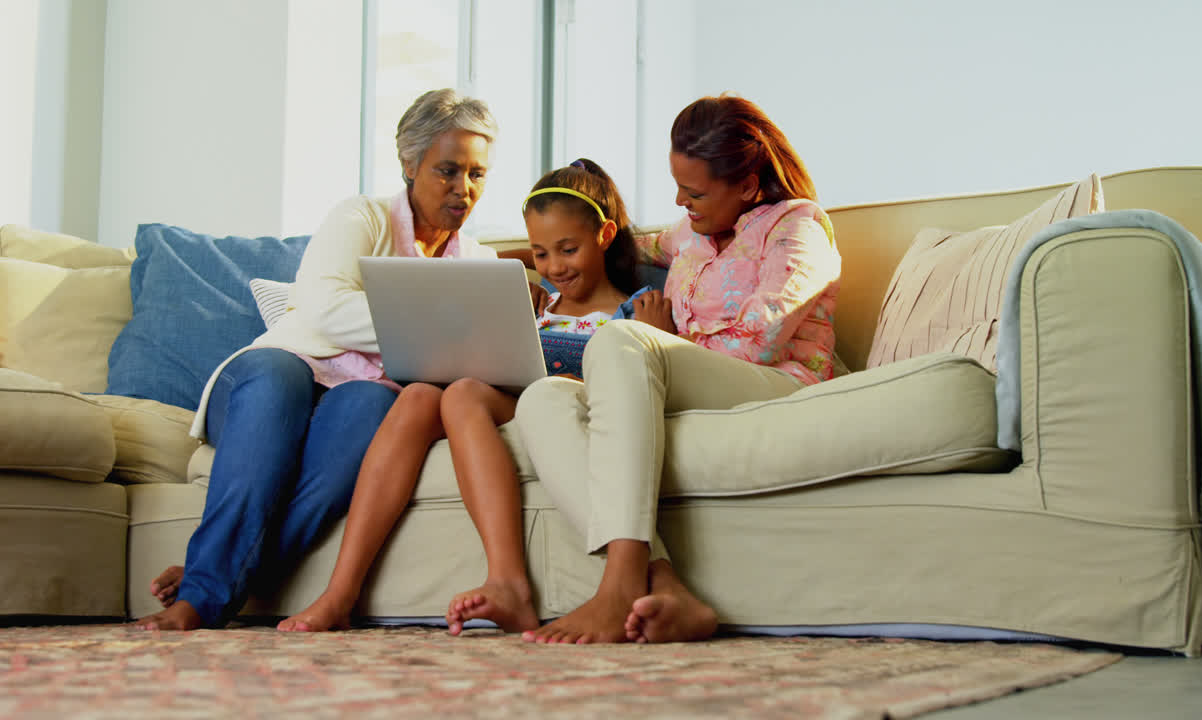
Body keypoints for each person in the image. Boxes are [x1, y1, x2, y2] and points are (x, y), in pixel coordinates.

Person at [136, 88, 501, 630]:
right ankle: (200, 599)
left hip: (358, 394)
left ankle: (206, 573)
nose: (463, 188)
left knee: (368, 407)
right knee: (276, 383)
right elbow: (327, 311)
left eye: (476, 174)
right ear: (409, 164)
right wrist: (437, 330)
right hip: (276, 374)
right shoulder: (361, 217)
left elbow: (473, 356)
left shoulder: (477, 262)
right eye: (448, 170)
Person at [514, 94, 843, 644]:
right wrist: (511, 267)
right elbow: (620, 240)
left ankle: (618, 586)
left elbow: (759, 341)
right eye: (677, 187)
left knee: (621, 339)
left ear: (747, 185)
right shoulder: (691, 232)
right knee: (541, 398)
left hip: (776, 383)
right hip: (684, 376)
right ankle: (665, 584)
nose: (679, 201)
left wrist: (664, 341)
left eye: (694, 192)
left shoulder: (798, 229)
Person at [275, 158, 652, 634]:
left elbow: (635, 385)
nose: (555, 267)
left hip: (567, 408)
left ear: (605, 235)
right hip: (512, 397)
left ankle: (508, 582)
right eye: (541, 254)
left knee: (462, 396)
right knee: (417, 395)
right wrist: (518, 279)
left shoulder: (635, 309)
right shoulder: (537, 302)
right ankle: (340, 593)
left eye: (568, 250)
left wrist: (652, 334)